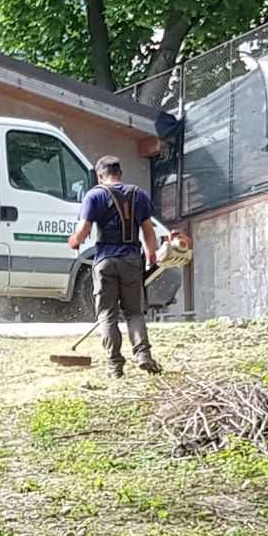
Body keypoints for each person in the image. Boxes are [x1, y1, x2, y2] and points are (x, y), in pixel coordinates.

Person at [66, 156, 166, 376]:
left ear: (101, 176)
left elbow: (83, 231)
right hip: (132, 260)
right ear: (120, 173)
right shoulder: (138, 194)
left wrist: (74, 241)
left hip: (105, 261)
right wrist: (151, 255)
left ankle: (115, 366)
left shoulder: (95, 195)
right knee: (134, 312)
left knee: (107, 314)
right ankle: (143, 355)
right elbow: (148, 230)